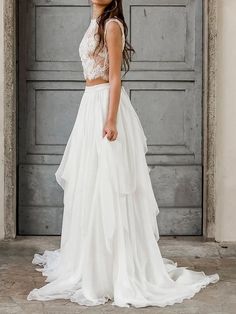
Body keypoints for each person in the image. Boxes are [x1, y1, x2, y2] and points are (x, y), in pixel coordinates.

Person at [27, 0, 219, 308]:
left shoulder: (112, 26)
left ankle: (115, 269)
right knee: (89, 186)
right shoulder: (96, 24)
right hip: (89, 104)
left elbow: (115, 77)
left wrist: (111, 119)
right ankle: (91, 262)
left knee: (110, 186)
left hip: (105, 105)